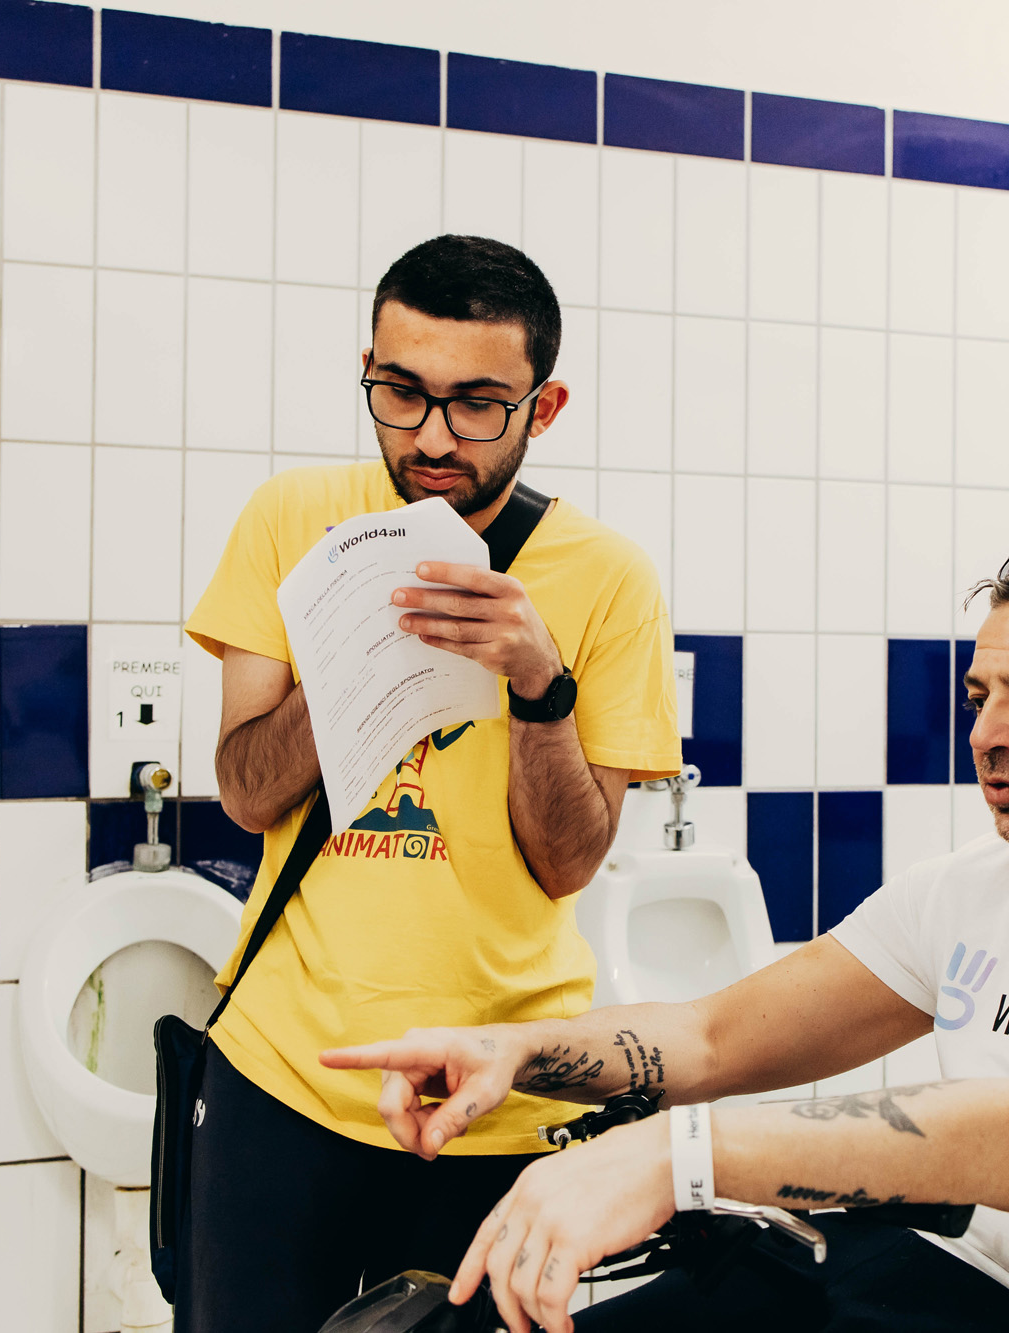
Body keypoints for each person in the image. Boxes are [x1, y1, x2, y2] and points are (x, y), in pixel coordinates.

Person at [325, 535, 1009, 1333]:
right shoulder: (973, 886)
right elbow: (714, 1036)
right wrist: (515, 1050)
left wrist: (680, 1155)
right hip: (921, 1274)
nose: (986, 734)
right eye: (981, 697)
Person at [180, 234, 681, 1333]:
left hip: (497, 1095)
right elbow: (248, 793)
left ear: (544, 407)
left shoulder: (610, 579)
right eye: (400, 393)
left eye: (478, 406)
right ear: (368, 369)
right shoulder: (291, 519)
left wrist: (538, 681)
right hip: (283, 1070)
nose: (433, 437)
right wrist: (359, 643)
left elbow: (568, 863)